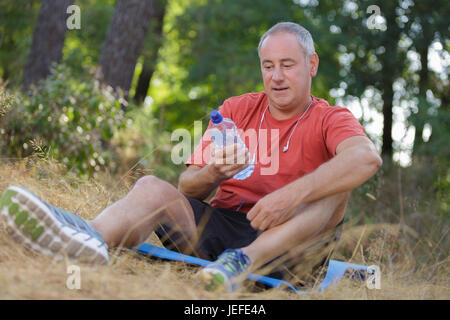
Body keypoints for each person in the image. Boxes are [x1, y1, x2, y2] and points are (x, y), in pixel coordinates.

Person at [0, 22, 382, 292]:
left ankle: (242, 263)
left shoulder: (331, 117)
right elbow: (189, 187)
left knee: (336, 193)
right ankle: (88, 239)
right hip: (220, 231)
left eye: (287, 65)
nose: (277, 76)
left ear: (310, 65)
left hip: (291, 249)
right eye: (268, 66)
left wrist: (292, 195)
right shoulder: (236, 109)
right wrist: (214, 172)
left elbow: (367, 159)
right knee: (151, 186)